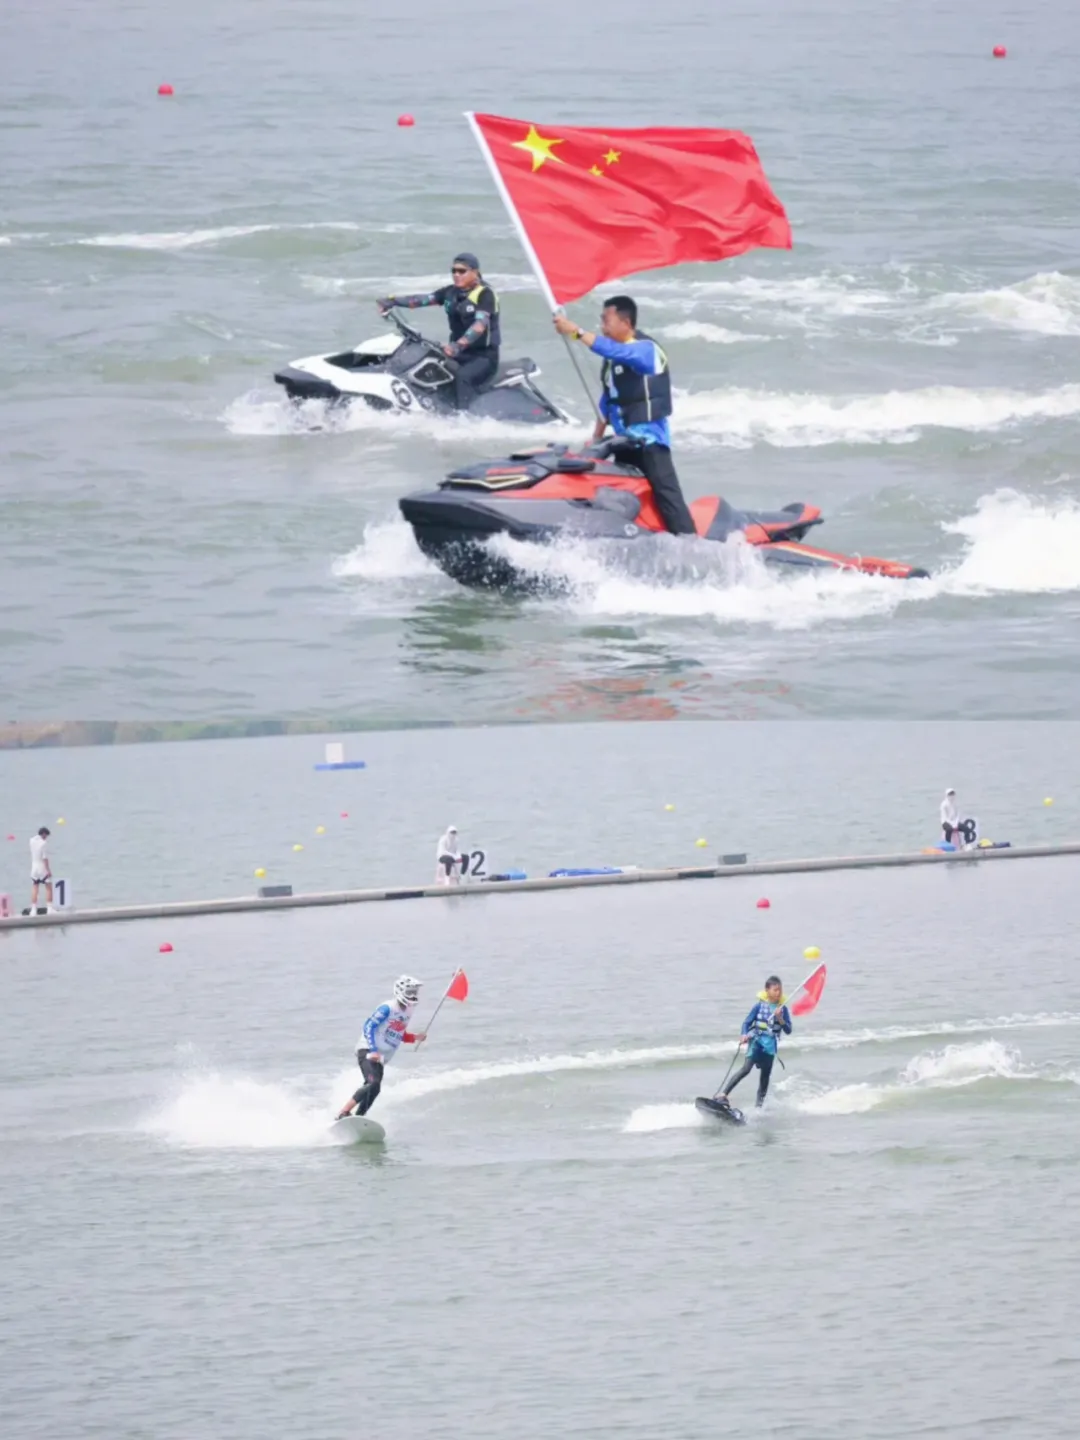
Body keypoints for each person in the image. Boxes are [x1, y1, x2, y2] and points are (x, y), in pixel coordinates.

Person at [553, 295, 696, 536]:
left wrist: (575, 332)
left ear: (626, 323)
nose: (602, 327)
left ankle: (690, 543)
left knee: (667, 497)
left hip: (649, 441)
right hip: (623, 441)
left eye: (606, 321)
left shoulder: (646, 349)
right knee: (621, 494)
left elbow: (618, 352)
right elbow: (607, 403)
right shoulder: (611, 361)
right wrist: (595, 440)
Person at [377, 253, 501, 408]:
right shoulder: (451, 292)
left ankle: (464, 416)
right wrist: (392, 301)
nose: (456, 275)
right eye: (454, 271)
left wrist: (457, 346)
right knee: (427, 368)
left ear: (475, 272)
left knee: (462, 377)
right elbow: (422, 300)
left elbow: (479, 326)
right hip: (458, 354)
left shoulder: (485, 294)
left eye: (462, 271)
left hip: (483, 357)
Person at [335, 975, 427, 1120]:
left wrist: (415, 1037)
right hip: (367, 1050)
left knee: (375, 1089)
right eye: (410, 992)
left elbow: (398, 1034)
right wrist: (373, 1050)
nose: (413, 995)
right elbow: (368, 1026)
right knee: (373, 1083)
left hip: (380, 1057)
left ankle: (357, 1118)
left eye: (415, 992)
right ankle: (343, 1112)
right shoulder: (387, 1008)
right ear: (400, 991)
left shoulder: (408, 1012)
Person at [718, 975, 792, 1109]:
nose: (778, 993)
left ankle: (758, 1108)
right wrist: (744, 1034)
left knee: (764, 1078)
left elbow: (788, 1030)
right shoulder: (759, 1006)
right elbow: (747, 1023)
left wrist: (780, 1018)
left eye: (780, 990)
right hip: (756, 1043)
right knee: (745, 1069)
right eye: (775, 990)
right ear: (767, 990)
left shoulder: (783, 1009)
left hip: (770, 1048)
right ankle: (723, 1094)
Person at [24, 827, 54, 915]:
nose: (46, 838)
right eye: (46, 836)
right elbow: (45, 858)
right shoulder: (43, 843)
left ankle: (33, 910)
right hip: (42, 868)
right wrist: (48, 870)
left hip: (34, 868)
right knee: (48, 887)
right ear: (44, 834)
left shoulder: (31, 841)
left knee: (35, 887)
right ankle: (49, 909)